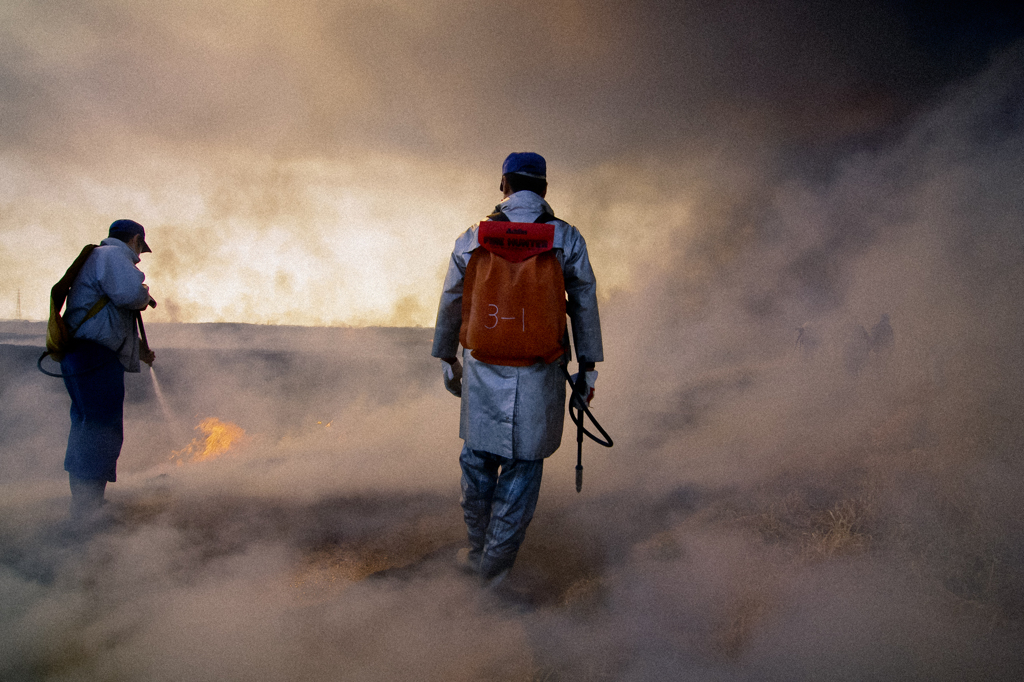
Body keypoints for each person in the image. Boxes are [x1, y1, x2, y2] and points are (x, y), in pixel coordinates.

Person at [432, 152, 604, 585]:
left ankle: (476, 555)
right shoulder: (566, 238)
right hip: (539, 374)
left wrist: (447, 357)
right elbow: (583, 305)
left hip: (483, 369)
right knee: (523, 470)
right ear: (544, 189)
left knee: (476, 463)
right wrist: (588, 369)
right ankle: (494, 571)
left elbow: (453, 300)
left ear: (503, 183)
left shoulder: (472, 237)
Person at [61, 219, 156, 522]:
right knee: (103, 428)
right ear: (136, 239)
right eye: (140, 247)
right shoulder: (114, 256)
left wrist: (138, 349)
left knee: (88, 425)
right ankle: (89, 509)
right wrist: (144, 293)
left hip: (83, 355)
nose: (140, 254)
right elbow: (129, 296)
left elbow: (109, 314)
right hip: (96, 357)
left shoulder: (98, 258)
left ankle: (85, 504)